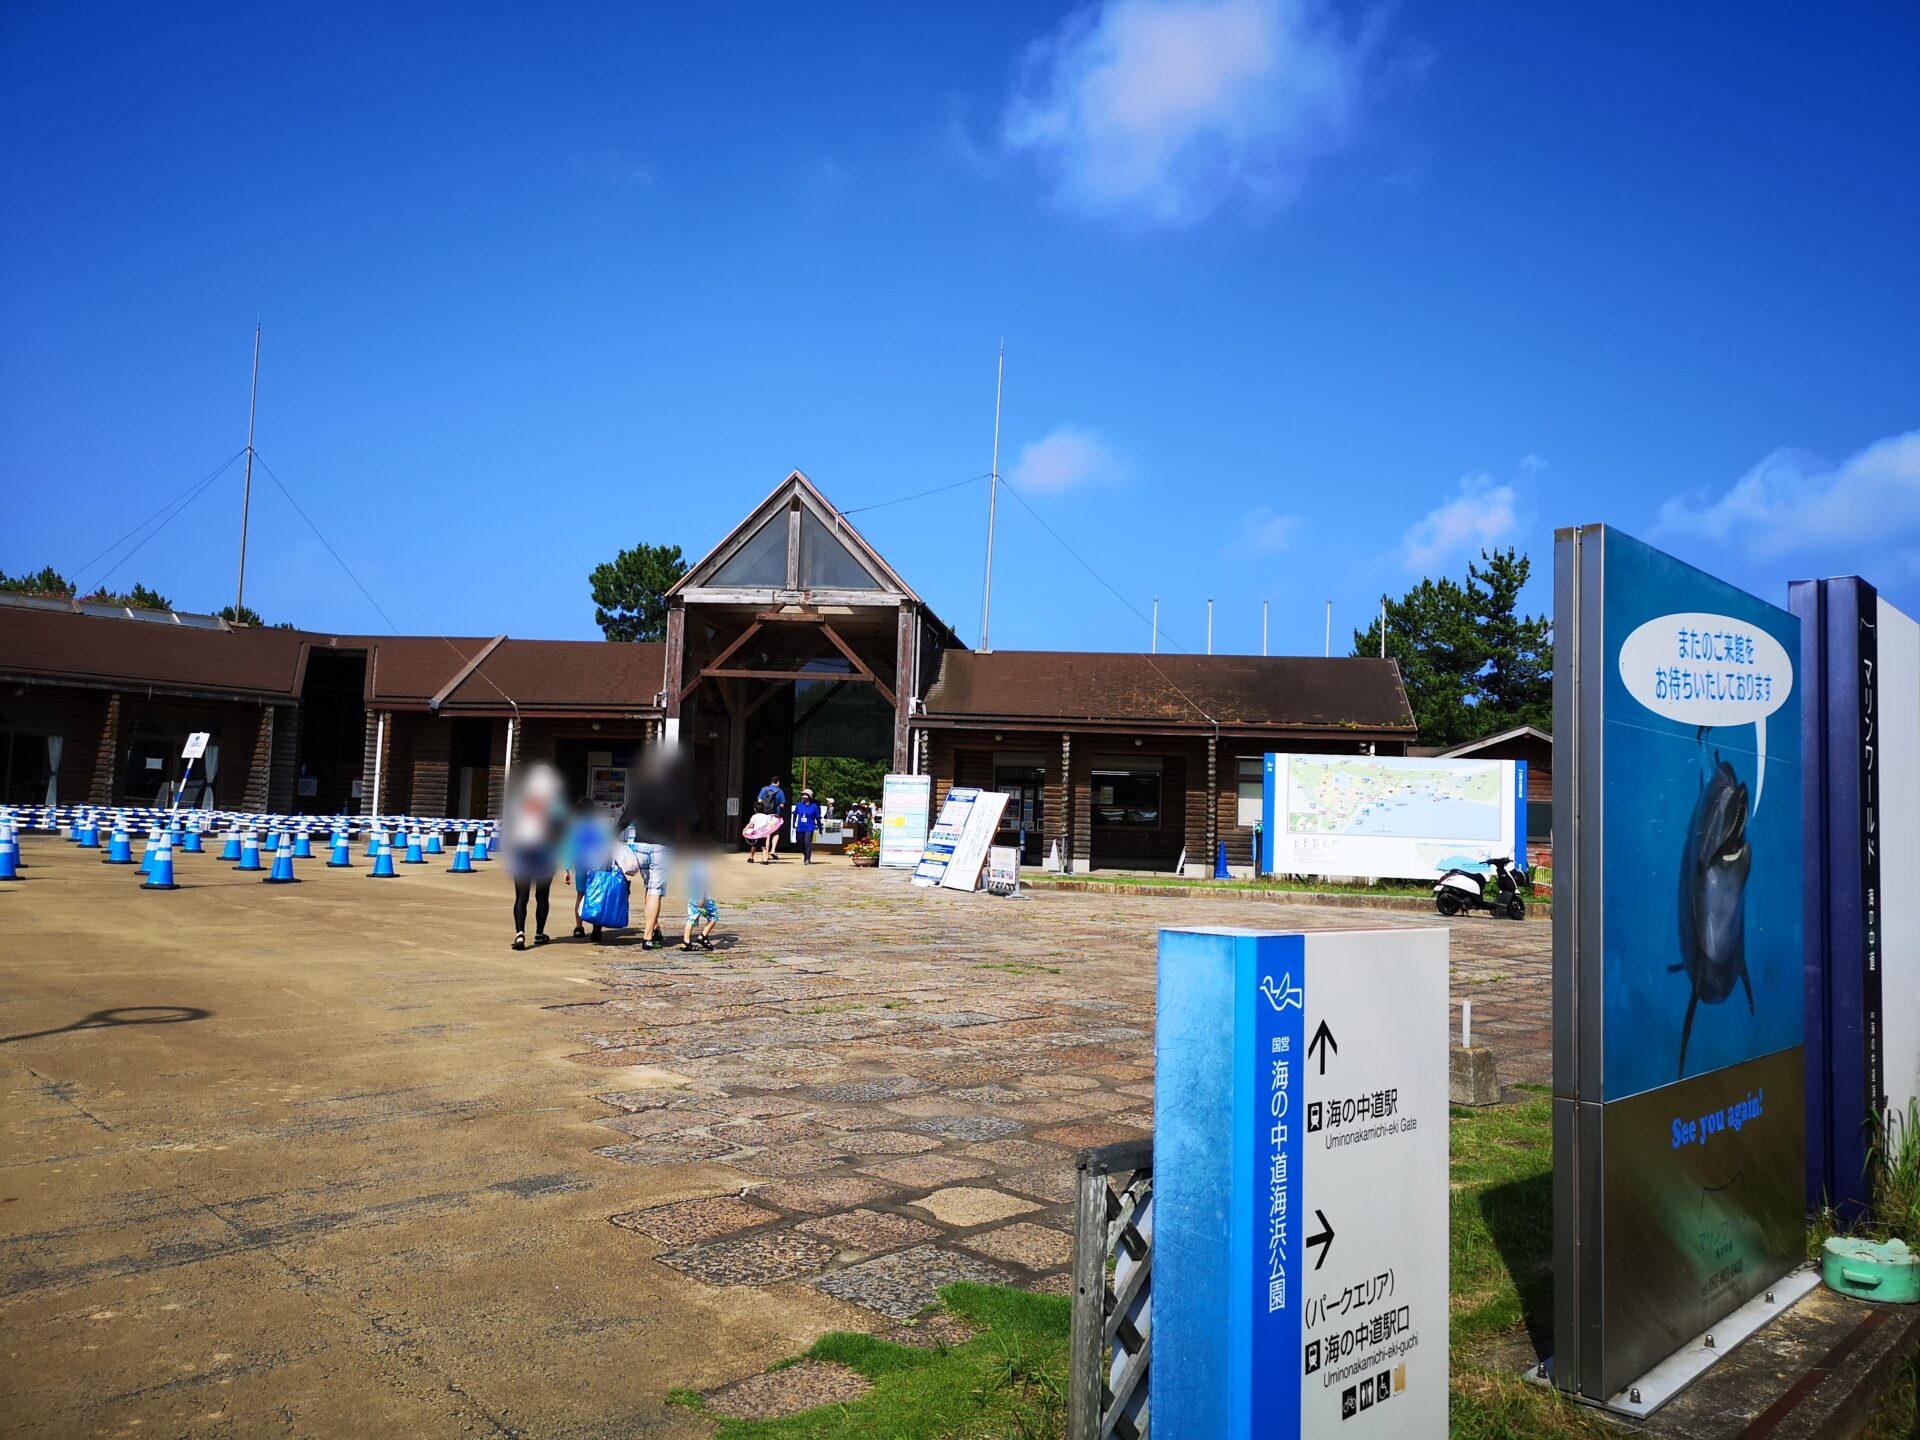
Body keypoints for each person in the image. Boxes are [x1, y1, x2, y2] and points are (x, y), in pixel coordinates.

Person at [614, 746, 697, 950]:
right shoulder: (680, 789)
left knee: (648, 887)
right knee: (655, 891)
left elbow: (629, 813)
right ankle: (648, 936)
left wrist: (614, 832)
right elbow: (693, 819)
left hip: (640, 844)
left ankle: (655, 926)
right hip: (663, 846)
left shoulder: (645, 786)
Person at [502, 762, 567, 950]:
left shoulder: (521, 798)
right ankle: (539, 933)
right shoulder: (554, 800)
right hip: (545, 852)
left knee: (521, 898)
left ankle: (520, 934)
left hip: (522, 851)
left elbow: (512, 819)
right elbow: (562, 823)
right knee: (542, 897)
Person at [563, 799, 613, 940]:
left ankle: (579, 927)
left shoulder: (575, 827)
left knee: (580, 896)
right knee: (597, 895)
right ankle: (596, 928)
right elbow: (606, 846)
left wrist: (567, 869)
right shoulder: (599, 825)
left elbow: (570, 848)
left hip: (581, 865)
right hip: (597, 866)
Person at [681, 850, 718, 951]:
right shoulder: (704, 866)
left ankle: (686, 941)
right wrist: (702, 897)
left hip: (692, 895)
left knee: (691, 919)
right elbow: (703, 882)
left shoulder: (693, 864)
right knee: (713, 917)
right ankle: (703, 936)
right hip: (704, 897)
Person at [755, 775, 787, 860]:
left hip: (764, 815)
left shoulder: (764, 789)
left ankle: (766, 855)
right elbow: (782, 805)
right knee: (776, 833)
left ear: (771, 781)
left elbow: (759, 801)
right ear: (778, 782)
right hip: (774, 815)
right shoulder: (780, 791)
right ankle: (772, 850)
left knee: (767, 834)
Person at [792, 787, 821, 864]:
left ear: (810, 797)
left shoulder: (814, 806)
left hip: (810, 826)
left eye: (806, 794)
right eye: (803, 794)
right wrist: (793, 823)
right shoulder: (799, 805)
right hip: (800, 827)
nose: (803, 796)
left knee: (807, 842)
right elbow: (795, 814)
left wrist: (820, 828)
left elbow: (818, 818)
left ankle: (808, 859)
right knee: (800, 843)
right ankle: (805, 855)